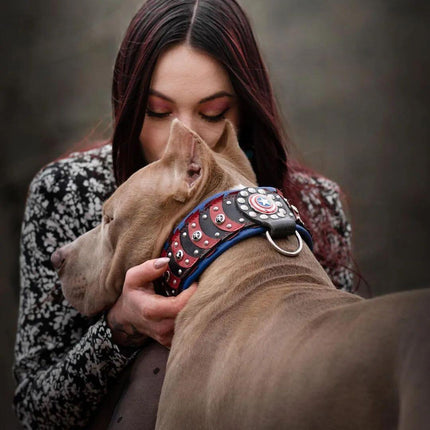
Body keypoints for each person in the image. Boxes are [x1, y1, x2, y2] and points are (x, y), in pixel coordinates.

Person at [13, 0, 354, 428]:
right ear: (130, 105)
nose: (186, 138)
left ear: (245, 107)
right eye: (158, 112)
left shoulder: (313, 203)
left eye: (213, 113)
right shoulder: (68, 190)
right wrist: (119, 329)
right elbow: (34, 414)